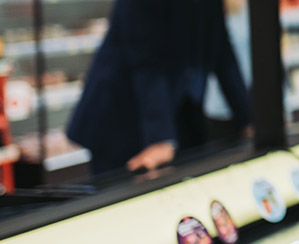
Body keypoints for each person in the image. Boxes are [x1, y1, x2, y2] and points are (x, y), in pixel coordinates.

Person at [67, 0, 251, 176]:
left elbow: (222, 51)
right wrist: (160, 138)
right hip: (122, 119)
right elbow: (146, 59)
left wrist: (248, 120)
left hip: (177, 118)